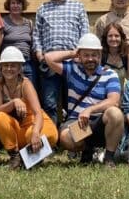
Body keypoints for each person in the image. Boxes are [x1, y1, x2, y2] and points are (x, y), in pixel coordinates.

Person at [51, 34, 124, 167]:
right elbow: (49, 58)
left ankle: (108, 158)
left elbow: (114, 101)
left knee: (115, 113)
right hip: (76, 123)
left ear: (100, 55)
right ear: (80, 56)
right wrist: (73, 53)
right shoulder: (72, 70)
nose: (91, 59)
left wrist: (90, 110)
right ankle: (87, 150)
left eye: (94, 55)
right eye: (86, 55)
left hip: (99, 124)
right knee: (65, 138)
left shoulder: (110, 74)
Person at [32, 0, 90, 120]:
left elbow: (85, 33)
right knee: (49, 103)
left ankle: (73, 139)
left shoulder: (78, 6)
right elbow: (36, 35)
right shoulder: (42, 9)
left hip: (73, 62)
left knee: (74, 102)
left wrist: (81, 55)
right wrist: (39, 55)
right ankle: (52, 140)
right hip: (50, 62)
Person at [0, 46, 58, 170]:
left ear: (20, 68)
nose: (9, 69)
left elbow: (38, 113)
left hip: (36, 125)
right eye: (5, 65)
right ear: (0, 67)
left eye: (13, 65)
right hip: (20, 131)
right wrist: (14, 102)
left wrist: (35, 133)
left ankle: (31, 157)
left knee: (44, 136)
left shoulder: (26, 84)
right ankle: (15, 155)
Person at [0, 0, 36, 87]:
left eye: (19, 3)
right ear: (9, 5)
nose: (16, 6)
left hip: (26, 64)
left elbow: (32, 45)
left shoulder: (29, 23)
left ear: (23, 5)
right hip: (9, 65)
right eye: (13, 3)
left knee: (29, 93)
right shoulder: (3, 22)